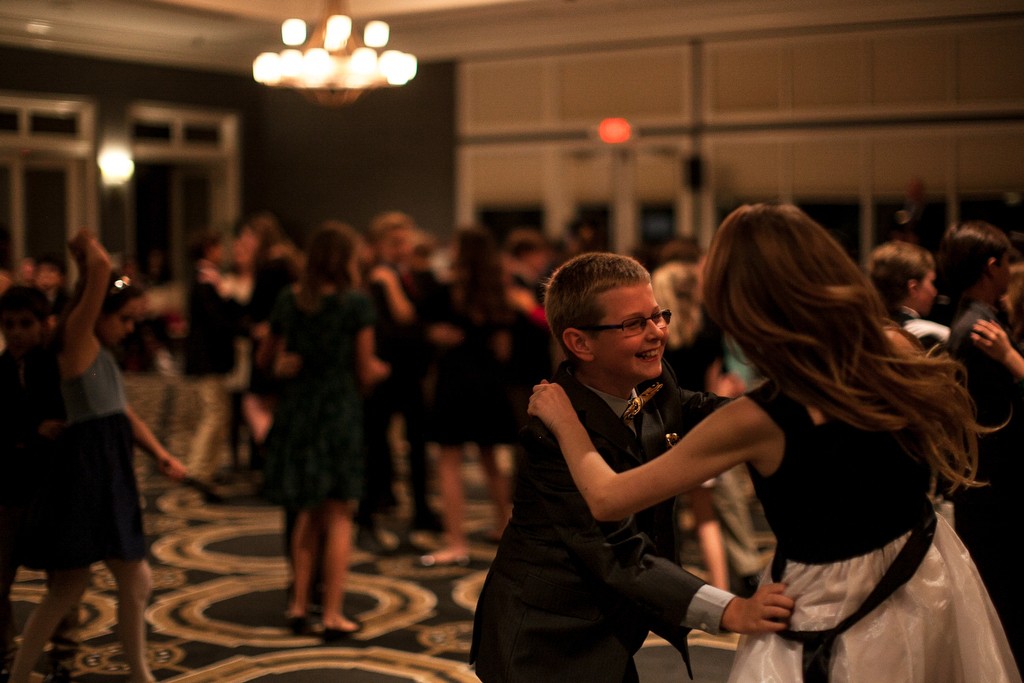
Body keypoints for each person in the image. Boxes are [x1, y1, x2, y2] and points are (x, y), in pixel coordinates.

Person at [529, 205, 1020, 683]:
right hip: (929, 573)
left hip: (829, 605)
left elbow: (609, 497)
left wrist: (564, 419)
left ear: (741, 306)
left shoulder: (759, 418)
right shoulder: (892, 350)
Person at [470, 251, 794, 683]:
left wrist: (794, 410)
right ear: (580, 343)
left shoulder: (653, 382)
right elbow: (619, 554)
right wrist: (732, 609)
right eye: (633, 324)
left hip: (612, 626)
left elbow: (702, 408)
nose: (657, 332)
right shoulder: (551, 436)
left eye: (658, 315)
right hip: (546, 640)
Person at [9, 229, 188, 683]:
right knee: (90, 584)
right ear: (99, 314)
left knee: (91, 585)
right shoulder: (77, 342)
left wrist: (161, 454)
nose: (129, 330)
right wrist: (86, 252)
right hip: (85, 476)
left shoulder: (101, 353)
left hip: (108, 472)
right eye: (124, 319)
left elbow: (123, 414)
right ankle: (136, 675)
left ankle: (134, 674)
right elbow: (103, 268)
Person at [260, 223, 389, 640]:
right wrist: (382, 372)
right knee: (338, 514)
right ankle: (332, 612)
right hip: (338, 410)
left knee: (307, 511)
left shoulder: (290, 299)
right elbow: (365, 370)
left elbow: (266, 358)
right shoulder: (356, 305)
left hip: (299, 408)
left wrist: (285, 365)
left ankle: (298, 605)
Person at [938, 220, 1024, 670]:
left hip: (988, 484)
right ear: (993, 267)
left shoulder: (980, 321)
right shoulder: (981, 331)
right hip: (998, 486)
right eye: (1008, 260)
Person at [420, 227, 518, 567]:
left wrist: (440, 337)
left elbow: (428, 330)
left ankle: (455, 541)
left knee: (449, 463)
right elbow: (504, 349)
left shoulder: (445, 290)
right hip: (489, 379)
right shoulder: (497, 292)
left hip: (455, 379)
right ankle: (505, 528)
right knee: (491, 460)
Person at [0, 287, 76, 683]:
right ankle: (4, 650)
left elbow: (65, 420)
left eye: (25, 324)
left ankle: (64, 651)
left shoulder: (52, 366)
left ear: (43, 324)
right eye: (8, 325)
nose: (16, 333)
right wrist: (29, 430)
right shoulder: (0, 369)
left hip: (50, 484)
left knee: (62, 575)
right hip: (9, 485)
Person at [650, 260, 730, 590]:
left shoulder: (653, 338)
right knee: (706, 518)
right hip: (701, 428)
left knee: (657, 519)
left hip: (657, 426)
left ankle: (662, 591)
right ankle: (722, 588)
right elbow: (713, 388)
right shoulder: (710, 330)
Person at [183, 230, 241, 493]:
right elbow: (216, 322)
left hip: (208, 358)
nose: (222, 251)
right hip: (208, 358)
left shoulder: (207, 278)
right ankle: (198, 470)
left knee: (218, 413)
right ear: (208, 249)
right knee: (214, 413)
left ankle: (206, 468)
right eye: (218, 246)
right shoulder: (205, 280)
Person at [868, 240, 949, 350]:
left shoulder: (868, 331)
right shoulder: (935, 335)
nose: (934, 292)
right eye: (931, 282)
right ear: (913, 288)